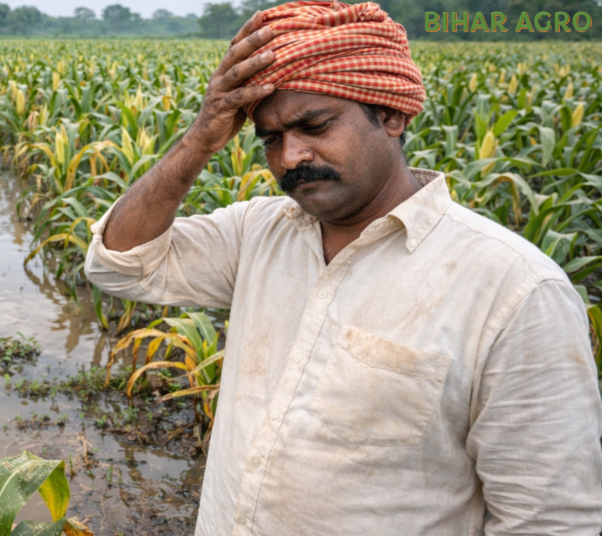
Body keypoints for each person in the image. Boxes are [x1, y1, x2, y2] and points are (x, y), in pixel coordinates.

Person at [83, 2, 602, 534]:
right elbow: (120, 265)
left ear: (392, 115)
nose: (289, 157)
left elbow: (549, 519)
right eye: (271, 138)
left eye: (315, 125)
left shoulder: (514, 291)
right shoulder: (258, 233)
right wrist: (199, 140)